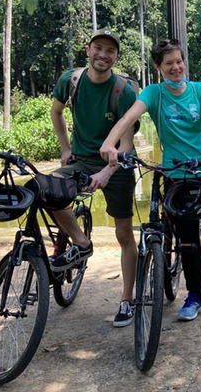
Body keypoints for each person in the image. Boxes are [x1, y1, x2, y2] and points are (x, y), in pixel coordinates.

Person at [100, 39, 201, 326]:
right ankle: (195, 296)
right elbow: (128, 117)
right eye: (168, 64)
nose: (175, 67)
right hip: (176, 175)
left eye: (179, 61)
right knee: (187, 240)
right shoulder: (154, 94)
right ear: (159, 68)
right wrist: (109, 143)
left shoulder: (199, 90)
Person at [49, 29, 139, 327]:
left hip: (117, 166)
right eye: (98, 48)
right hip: (81, 160)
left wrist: (106, 172)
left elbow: (125, 145)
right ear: (88, 50)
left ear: (116, 57)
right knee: (46, 189)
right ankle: (81, 242)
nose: (103, 55)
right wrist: (64, 149)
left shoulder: (124, 91)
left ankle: (127, 299)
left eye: (110, 51)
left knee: (124, 234)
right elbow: (57, 112)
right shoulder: (71, 81)